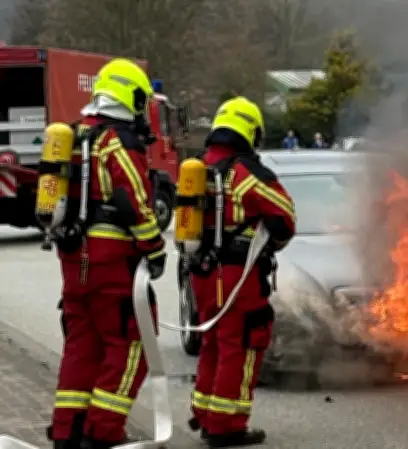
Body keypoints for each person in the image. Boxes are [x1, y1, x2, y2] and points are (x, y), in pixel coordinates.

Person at [47, 58, 166, 449]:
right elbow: (133, 200)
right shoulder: (118, 142)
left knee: (83, 346)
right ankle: (102, 434)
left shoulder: (77, 135)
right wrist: (155, 247)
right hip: (112, 263)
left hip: (74, 261)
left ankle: (68, 431)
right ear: (130, 97)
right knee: (132, 346)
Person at [187, 96, 296, 447]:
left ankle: (204, 413)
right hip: (236, 277)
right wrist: (269, 244)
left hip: (202, 274)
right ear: (251, 131)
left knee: (213, 343)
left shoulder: (198, 167)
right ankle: (226, 427)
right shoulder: (247, 173)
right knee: (243, 344)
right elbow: (285, 217)